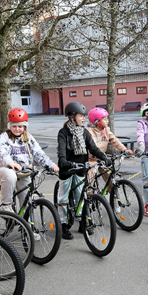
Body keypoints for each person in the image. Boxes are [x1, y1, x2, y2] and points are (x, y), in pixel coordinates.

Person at [57, 102, 111, 240]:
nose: (83, 119)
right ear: (72, 117)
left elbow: (93, 148)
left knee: (80, 196)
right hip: (67, 168)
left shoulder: (84, 132)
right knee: (63, 198)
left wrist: (103, 156)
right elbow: (61, 151)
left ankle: (82, 222)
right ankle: (63, 224)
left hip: (81, 167)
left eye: (84, 116)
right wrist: (63, 161)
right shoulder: (63, 133)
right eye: (81, 116)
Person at [0, 108, 59, 213]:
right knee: (10, 175)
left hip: (24, 171)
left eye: (20, 126)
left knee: (27, 200)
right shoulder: (4, 137)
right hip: (5, 168)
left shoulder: (28, 137)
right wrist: (10, 162)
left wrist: (50, 165)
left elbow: (38, 153)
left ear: (25, 126)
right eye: (14, 126)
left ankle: (26, 224)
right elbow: (0, 151)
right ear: (9, 126)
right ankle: (6, 205)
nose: (17, 129)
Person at [86, 107, 133, 194]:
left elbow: (115, 140)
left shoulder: (106, 130)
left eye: (107, 119)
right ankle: (88, 199)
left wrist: (125, 149)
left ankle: (114, 198)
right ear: (97, 121)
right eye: (104, 119)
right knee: (90, 180)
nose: (107, 121)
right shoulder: (89, 132)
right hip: (90, 160)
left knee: (110, 178)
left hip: (102, 158)